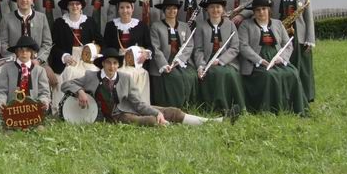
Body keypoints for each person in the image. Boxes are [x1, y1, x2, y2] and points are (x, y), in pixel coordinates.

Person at [62, 48, 233, 126]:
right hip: (116, 117)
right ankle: (165, 125)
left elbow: (138, 103)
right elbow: (66, 84)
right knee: (149, 121)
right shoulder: (91, 77)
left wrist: (156, 111)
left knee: (172, 111)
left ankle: (213, 122)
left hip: (129, 108)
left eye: (115, 63)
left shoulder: (126, 78)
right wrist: (80, 91)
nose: (112, 67)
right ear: (103, 64)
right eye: (108, 63)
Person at [239, 0, 308, 114]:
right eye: (258, 10)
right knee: (269, 76)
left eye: (264, 9)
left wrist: (281, 58)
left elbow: (288, 44)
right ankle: (270, 110)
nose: (261, 12)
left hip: (277, 58)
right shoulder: (246, 25)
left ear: (269, 10)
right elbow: (243, 46)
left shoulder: (278, 24)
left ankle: (293, 108)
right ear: (254, 12)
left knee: (293, 73)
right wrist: (260, 61)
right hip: (256, 62)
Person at [192, 0, 246, 112]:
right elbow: (199, 49)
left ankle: (229, 106)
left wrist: (221, 60)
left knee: (228, 73)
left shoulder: (230, 25)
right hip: (207, 61)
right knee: (212, 74)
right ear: (207, 9)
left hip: (227, 61)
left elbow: (235, 47)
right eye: (211, 7)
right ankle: (213, 107)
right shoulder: (201, 26)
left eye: (218, 7)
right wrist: (201, 65)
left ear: (222, 9)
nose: (215, 10)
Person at [270, 0, 316, 102]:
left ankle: (304, 96)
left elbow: (309, 19)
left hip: (299, 37)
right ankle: (285, 95)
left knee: (302, 67)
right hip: (280, 34)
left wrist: (310, 40)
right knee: (282, 64)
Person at [50, 0, 101, 108]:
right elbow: (52, 46)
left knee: (92, 72)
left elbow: (100, 42)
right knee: (69, 73)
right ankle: (66, 108)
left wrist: (94, 52)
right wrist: (64, 56)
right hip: (67, 60)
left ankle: (92, 107)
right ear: (67, 6)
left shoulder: (90, 21)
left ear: (81, 6)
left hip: (86, 60)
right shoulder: (59, 23)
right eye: (71, 4)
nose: (74, 6)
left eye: (77, 4)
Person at [0, 0, 56, 88]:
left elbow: (47, 43)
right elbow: (3, 43)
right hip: (14, 61)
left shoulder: (41, 18)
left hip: (38, 61)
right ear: (16, 1)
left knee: (53, 80)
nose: (24, 0)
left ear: (32, 0)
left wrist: (38, 60)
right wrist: (16, 59)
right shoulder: (7, 19)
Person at [102, 0, 153, 102]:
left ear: (132, 8)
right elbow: (105, 46)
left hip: (135, 65)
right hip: (116, 63)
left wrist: (146, 53)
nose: (125, 11)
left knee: (139, 73)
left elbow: (149, 46)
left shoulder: (141, 26)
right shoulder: (111, 26)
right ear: (118, 9)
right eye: (122, 8)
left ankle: (140, 106)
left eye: (128, 7)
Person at [149, 0, 197, 108]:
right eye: (169, 8)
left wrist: (180, 60)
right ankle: (175, 106)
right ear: (164, 10)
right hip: (164, 62)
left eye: (174, 8)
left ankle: (189, 104)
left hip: (180, 62)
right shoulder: (156, 26)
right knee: (175, 77)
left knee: (191, 75)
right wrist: (164, 64)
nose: (172, 11)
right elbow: (156, 48)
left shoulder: (185, 26)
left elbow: (189, 46)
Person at [0, 36, 51, 112]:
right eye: (21, 50)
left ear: (32, 52)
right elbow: (1, 91)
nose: (24, 53)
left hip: (34, 111)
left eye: (27, 50)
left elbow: (44, 92)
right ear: (17, 52)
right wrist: (1, 102)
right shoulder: (6, 69)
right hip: (12, 111)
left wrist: (43, 101)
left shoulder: (40, 71)